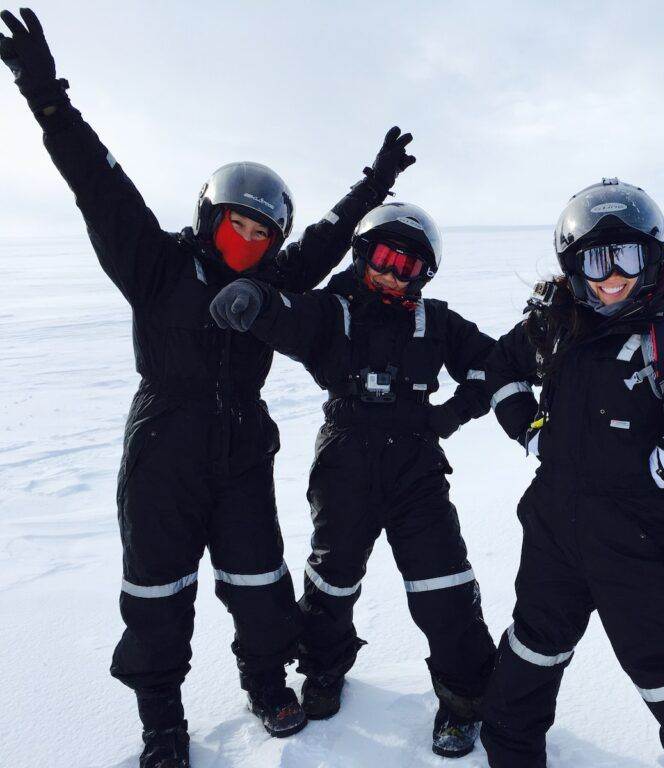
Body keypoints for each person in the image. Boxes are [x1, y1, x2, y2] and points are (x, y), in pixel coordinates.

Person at [0, 8, 415, 767]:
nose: (250, 242)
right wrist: (46, 96)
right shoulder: (156, 265)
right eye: (238, 225)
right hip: (163, 443)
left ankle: (264, 681)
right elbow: (99, 184)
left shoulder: (275, 281)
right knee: (158, 593)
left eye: (264, 233)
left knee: (260, 581)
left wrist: (374, 184)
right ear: (209, 215)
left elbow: (325, 239)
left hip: (243, 445)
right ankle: (162, 721)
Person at [479, 178, 664, 767]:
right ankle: (510, 752)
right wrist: (530, 432)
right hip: (552, 527)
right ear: (573, 265)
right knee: (533, 645)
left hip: (632, 534)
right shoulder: (558, 324)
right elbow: (500, 366)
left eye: (627, 257)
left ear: (653, 257)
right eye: (595, 258)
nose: (611, 274)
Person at [209, 202, 497, 758]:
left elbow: (493, 364)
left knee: (443, 582)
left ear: (425, 274)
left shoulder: (436, 321)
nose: (392, 273)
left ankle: (464, 699)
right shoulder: (332, 310)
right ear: (363, 254)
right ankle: (322, 671)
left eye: (408, 265)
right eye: (384, 257)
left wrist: (451, 413)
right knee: (333, 578)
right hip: (345, 457)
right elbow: (288, 314)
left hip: (417, 463)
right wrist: (255, 301)